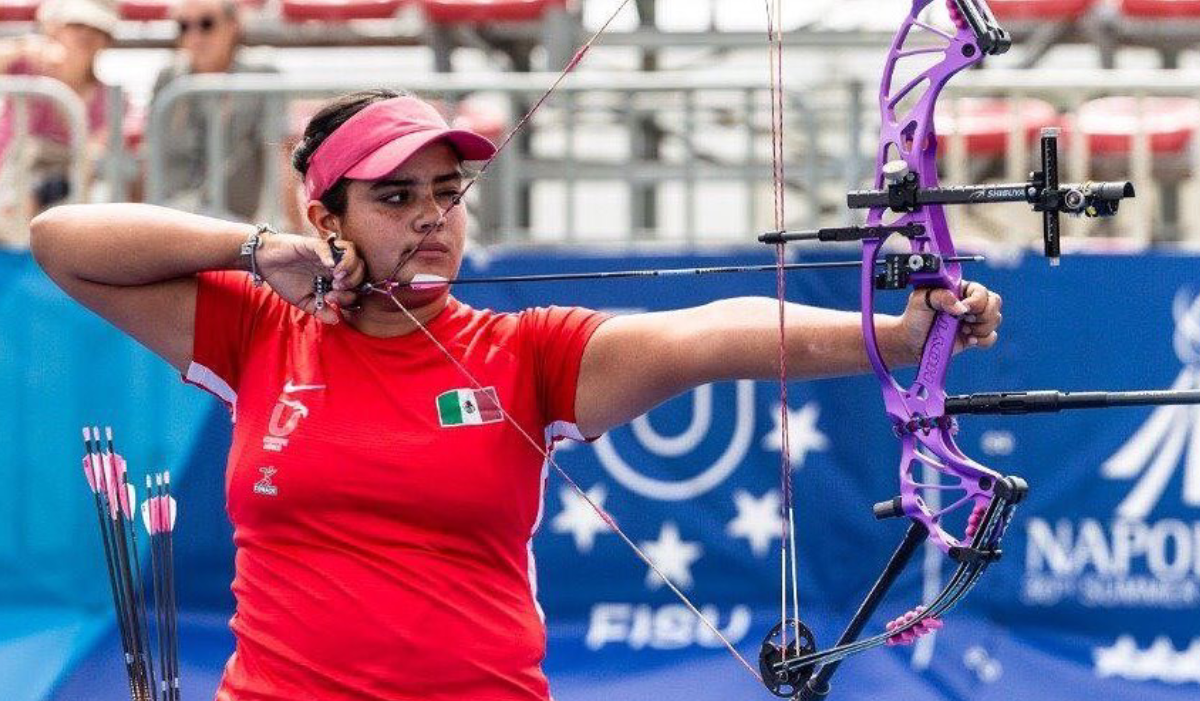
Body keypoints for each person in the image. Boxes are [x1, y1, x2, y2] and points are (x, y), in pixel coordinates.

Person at [29, 89, 1003, 700]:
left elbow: (705, 335)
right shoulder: (257, 331)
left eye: (446, 193)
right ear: (324, 216)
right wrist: (251, 250)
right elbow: (61, 241)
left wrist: (897, 336)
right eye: (396, 198)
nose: (432, 220)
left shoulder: (520, 353)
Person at [149, 0, 281, 221]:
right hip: (170, 220)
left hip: (234, 226)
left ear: (233, 25)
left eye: (206, 23)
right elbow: (150, 158)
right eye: (183, 26)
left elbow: (279, 156)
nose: (195, 35)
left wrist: (293, 231)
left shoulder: (262, 77)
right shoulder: (167, 78)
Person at [0, 0, 118, 247]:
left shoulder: (109, 98)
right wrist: (21, 48)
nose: (85, 34)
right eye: (76, 25)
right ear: (54, 28)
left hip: (63, 194)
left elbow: (93, 158)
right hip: (11, 183)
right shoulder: (24, 66)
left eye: (96, 28)